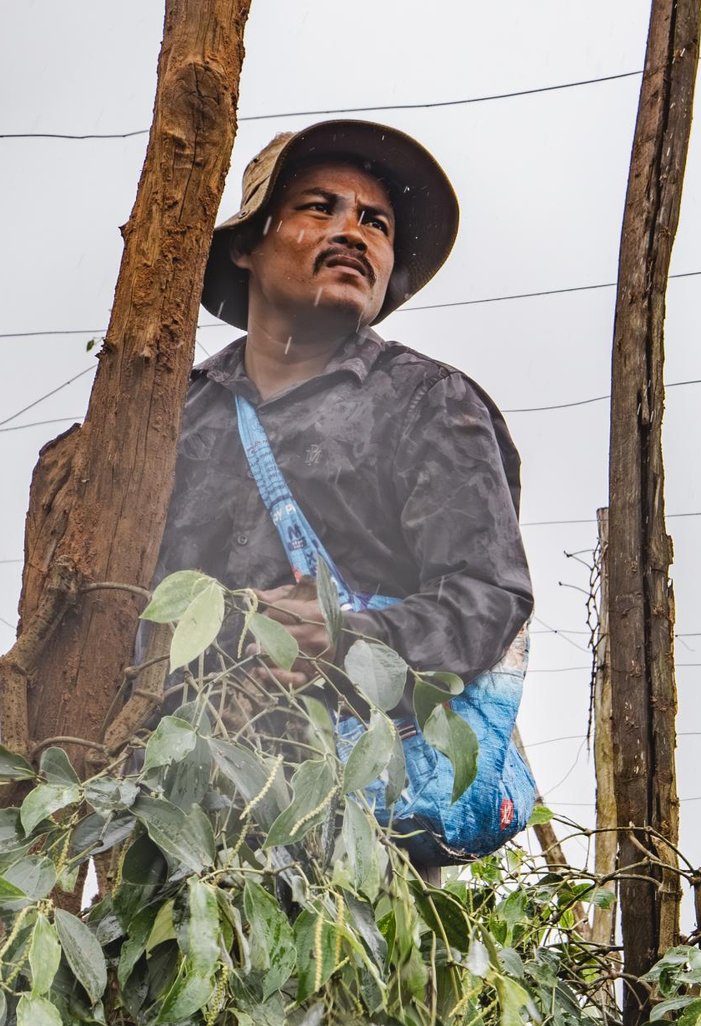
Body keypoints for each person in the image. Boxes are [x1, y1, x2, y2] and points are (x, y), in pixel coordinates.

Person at [153, 119, 532, 700]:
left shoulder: (429, 401)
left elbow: (487, 597)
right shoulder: (174, 415)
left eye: (375, 224)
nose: (354, 235)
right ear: (246, 245)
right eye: (319, 209)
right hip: (169, 773)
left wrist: (348, 643)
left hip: (359, 775)